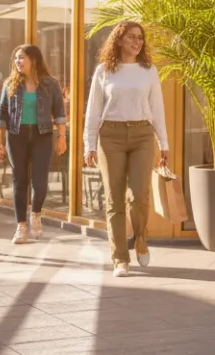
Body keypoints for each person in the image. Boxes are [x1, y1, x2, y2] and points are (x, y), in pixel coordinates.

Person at [83, 21, 170, 276]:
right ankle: (120, 257)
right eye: (131, 36)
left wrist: (164, 143)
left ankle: (140, 238)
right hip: (110, 136)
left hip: (143, 135)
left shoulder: (148, 70)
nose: (137, 41)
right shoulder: (103, 71)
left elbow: (158, 109)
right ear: (119, 39)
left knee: (139, 195)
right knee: (114, 199)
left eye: (140, 37)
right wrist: (89, 145)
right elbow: (93, 112)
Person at [0, 45, 66, 246]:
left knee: (40, 182)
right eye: (16, 58)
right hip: (16, 135)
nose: (18, 62)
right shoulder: (10, 84)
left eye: (22, 58)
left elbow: (59, 112)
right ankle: (21, 226)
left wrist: (62, 137)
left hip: (42, 134)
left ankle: (35, 213)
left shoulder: (50, 84)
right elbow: (2, 115)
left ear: (34, 59)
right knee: (19, 181)